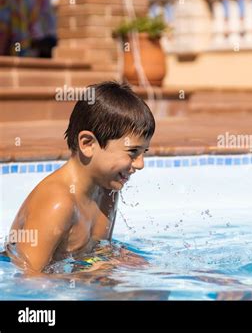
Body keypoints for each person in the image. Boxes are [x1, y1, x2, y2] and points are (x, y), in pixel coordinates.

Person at [5, 81, 155, 274]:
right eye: (133, 152)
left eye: (144, 152)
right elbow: (27, 279)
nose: (140, 164)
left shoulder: (107, 189)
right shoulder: (58, 203)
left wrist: (122, 259)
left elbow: (99, 250)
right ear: (87, 144)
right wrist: (84, 277)